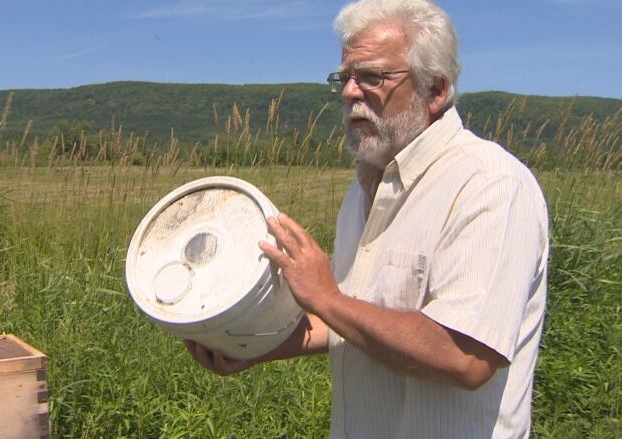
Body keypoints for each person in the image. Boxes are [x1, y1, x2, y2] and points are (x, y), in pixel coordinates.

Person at [184, 0, 549, 437]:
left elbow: (466, 356)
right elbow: (349, 319)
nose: (349, 92)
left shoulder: (489, 184)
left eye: (372, 77)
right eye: (344, 77)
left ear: (434, 90)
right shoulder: (364, 188)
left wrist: (326, 297)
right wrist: (253, 346)